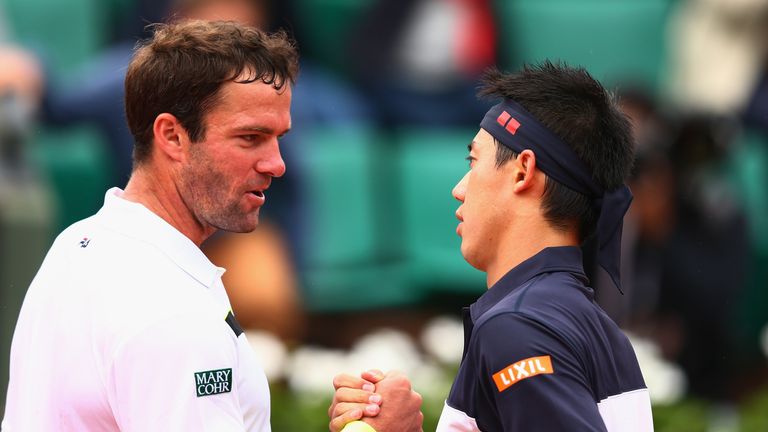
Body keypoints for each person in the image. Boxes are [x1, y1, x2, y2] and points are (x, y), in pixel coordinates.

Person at [3, 20, 302, 431]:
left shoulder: (74, 245)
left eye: (279, 138)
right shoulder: (174, 313)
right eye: (250, 138)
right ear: (172, 136)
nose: (277, 164)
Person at [329, 62, 654, 431]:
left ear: (522, 171)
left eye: (474, 161)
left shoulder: (519, 327)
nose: (459, 189)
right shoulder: (586, 324)